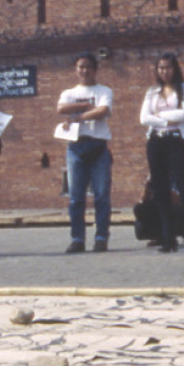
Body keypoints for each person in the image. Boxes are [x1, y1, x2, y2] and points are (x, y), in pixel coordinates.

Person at [138, 53, 184, 253]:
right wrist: (165, 119)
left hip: (175, 141)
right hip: (155, 141)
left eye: (168, 67)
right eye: (161, 68)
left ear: (175, 68)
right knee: (160, 191)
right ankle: (168, 239)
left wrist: (158, 116)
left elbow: (183, 114)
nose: (164, 72)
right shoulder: (152, 92)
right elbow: (144, 118)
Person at [56, 53, 114, 252]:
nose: (84, 70)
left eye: (88, 67)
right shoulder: (69, 93)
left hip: (98, 146)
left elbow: (102, 111)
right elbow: (61, 108)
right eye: (81, 67)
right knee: (76, 197)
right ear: (76, 69)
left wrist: (77, 117)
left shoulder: (104, 91)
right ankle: (77, 239)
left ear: (95, 70)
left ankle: (101, 237)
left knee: (101, 195)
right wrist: (85, 106)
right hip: (76, 147)